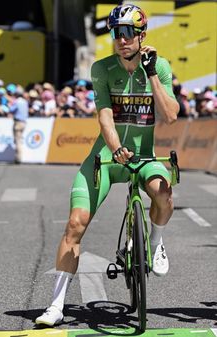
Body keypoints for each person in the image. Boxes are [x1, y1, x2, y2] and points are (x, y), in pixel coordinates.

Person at [35, 4, 179, 326]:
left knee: (164, 195)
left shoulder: (160, 67)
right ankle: (56, 306)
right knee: (75, 224)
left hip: (144, 158)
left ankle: (155, 243)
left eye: (128, 33)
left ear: (141, 36)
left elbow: (170, 116)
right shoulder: (102, 69)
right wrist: (115, 148)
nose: (122, 39)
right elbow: (105, 116)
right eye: (117, 33)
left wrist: (152, 72)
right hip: (107, 157)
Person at [8, 85, 29, 163]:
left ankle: (18, 158)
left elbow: (11, 110)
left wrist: (10, 104)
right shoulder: (25, 102)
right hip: (24, 122)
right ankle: (18, 157)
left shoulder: (17, 102)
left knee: (17, 140)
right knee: (19, 139)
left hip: (18, 122)